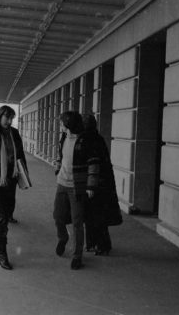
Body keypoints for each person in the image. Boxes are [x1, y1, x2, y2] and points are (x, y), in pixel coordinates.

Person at [53, 111, 99, 270]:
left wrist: (91, 185)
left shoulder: (84, 141)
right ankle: (62, 238)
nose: (60, 125)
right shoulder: (64, 137)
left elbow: (93, 163)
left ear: (68, 124)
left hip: (76, 187)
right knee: (58, 216)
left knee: (77, 222)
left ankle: (77, 256)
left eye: (61, 123)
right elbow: (60, 155)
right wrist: (57, 167)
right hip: (61, 184)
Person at [0, 105, 27, 270]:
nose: (9, 121)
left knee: (6, 213)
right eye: (7, 117)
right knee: (1, 217)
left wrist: (23, 175)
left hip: (11, 177)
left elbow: (20, 154)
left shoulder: (14, 133)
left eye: (12, 118)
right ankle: (3, 253)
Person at [82, 114, 122, 256]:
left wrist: (91, 185)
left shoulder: (88, 139)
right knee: (98, 216)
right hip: (103, 183)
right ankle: (98, 244)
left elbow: (93, 164)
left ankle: (99, 245)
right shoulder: (97, 138)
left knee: (94, 216)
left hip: (97, 183)